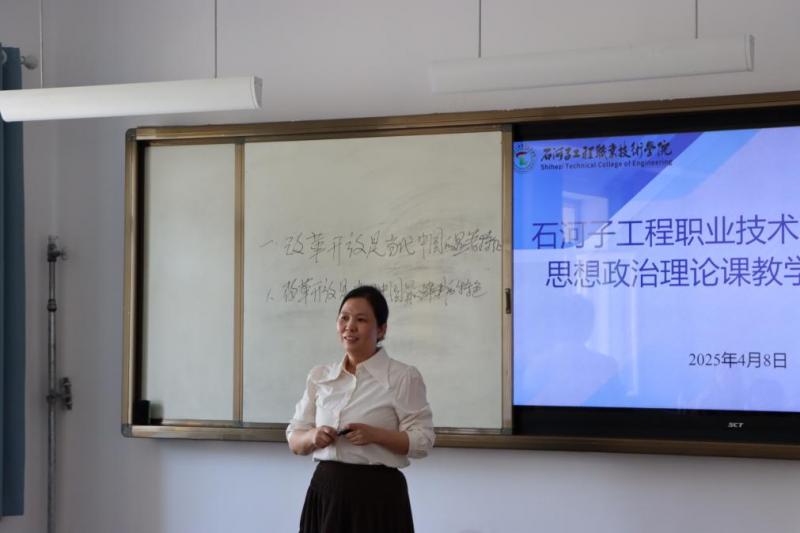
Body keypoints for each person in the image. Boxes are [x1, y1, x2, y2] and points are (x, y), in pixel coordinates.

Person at [286, 285, 435, 533]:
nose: (349, 326)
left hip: (378, 499)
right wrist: (313, 436)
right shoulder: (320, 376)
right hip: (326, 494)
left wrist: (375, 435)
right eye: (344, 318)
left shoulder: (403, 377)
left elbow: (424, 441)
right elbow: (294, 439)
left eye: (361, 320)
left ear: (382, 329)